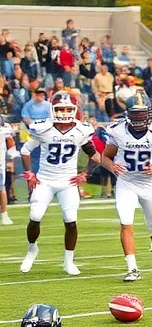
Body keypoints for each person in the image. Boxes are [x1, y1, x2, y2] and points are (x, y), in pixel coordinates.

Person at [96, 91, 152, 281]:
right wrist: (111, 166)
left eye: (142, 112)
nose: (139, 116)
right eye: (135, 112)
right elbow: (106, 156)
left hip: (149, 183)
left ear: (149, 112)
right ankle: (132, 268)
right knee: (125, 222)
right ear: (127, 113)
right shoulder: (118, 131)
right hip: (126, 181)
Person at [18, 91, 97, 276]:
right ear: (53, 110)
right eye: (60, 109)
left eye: (67, 109)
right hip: (45, 180)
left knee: (71, 221)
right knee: (35, 216)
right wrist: (29, 173)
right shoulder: (43, 128)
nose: (63, 113)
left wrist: (86, 173)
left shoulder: (80, 130)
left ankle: (68, 261)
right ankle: (32, 249)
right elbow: (25, 150)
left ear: (74, 109)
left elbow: (94, 154)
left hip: (68, 182)